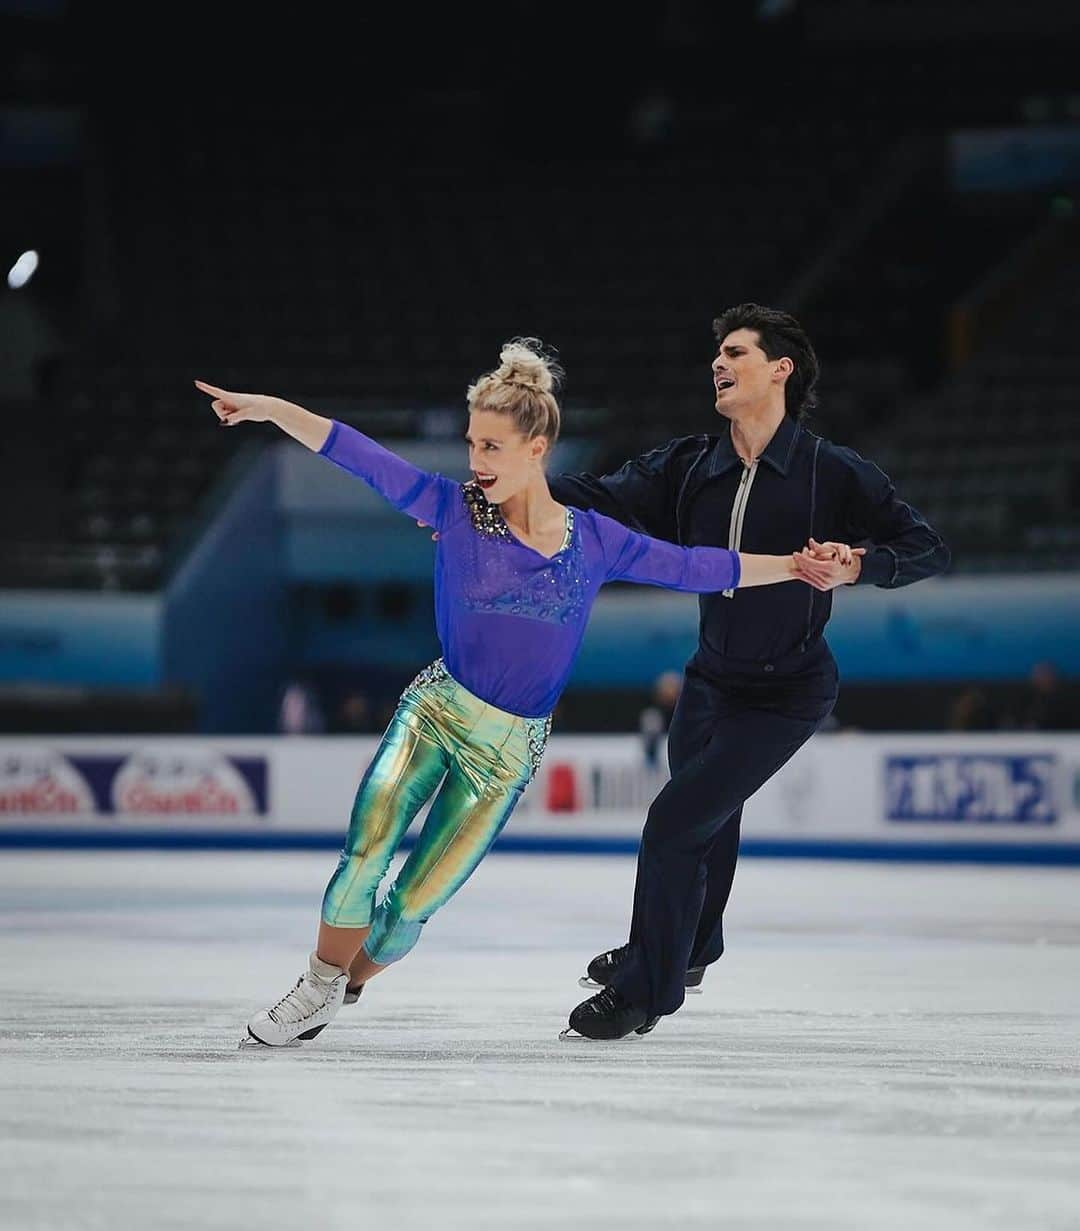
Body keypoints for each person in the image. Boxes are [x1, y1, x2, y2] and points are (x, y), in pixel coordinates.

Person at [193, 340, 844, 1048]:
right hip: (435, 713)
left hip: (507, 752)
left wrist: (794, 566)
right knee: (365, 853)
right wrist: (266, 409)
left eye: (492, 446)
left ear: (537, 449)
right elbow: (355, 453)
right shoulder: (452, 509)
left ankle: (343, 989)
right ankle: (313, 988)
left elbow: (697, 566)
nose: (476, 461)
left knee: (410, 907)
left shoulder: (595, 540)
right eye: (473, 443)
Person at [546, 304, 951, 1039]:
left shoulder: (833, 472)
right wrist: (511, 491)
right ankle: (693, 944)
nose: (719, 366)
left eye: (735, 353)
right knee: (707, 823)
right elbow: (602, 495)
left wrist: (861, 564)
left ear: (781, 369)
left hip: (789, 691)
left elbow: (925, 546)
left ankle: (645, 991)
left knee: (674, 824)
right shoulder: (692, 465)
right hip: (710, 681)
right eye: (716, 358)